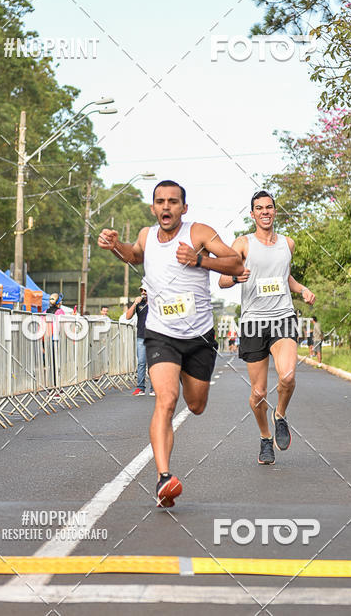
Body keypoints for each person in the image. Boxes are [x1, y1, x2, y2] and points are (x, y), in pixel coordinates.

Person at [98, 179, 244, 508]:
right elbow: (134, 256)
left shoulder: (199, 233)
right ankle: (164, 478)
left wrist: (199, 260)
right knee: (165, 399)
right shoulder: (147, 237)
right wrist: (116, 244)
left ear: (184, 208)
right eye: (161, 202)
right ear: (153, 208)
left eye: (173, 202)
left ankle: (166, 473)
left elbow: (236, 263)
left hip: (199, 336)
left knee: (196, 405)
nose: (166, 207)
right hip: (161, 333)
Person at [219, 190, 315, 466]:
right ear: (252, 214)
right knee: (258, 393)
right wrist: (237, 278)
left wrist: (302, 289)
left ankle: (280, 414)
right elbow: (223, 280)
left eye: (269, 207)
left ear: (275, 211)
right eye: (259, 208)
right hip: (253, 322)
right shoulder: (242, 244)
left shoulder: (288, 243)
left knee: (287, 376)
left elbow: (286, 278)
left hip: (282, 317)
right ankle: (265, 438)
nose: (265, 212)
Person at [126, 284, 154, 396]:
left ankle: (154, 388)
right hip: (141, 337)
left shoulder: (155, 303)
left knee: (153, 364)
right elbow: (127, 317)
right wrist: (135, 303)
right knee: (141, 363)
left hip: (154, 337)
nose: (143, 292)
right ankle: (140, 388)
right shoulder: (139, 304)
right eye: (142, 290)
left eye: (145, 290)